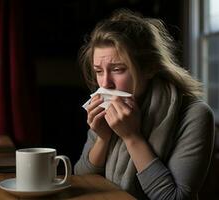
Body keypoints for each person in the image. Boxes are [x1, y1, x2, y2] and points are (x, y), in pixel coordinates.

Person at [74, 9, 215, 200]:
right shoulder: (107, 108)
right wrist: (103, 138)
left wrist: (132, 137)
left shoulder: (195, 115)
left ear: (149, 68)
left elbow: (174, 198)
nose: (105, 83)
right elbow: (82, 179)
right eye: (99, 71)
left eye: (117, 69)